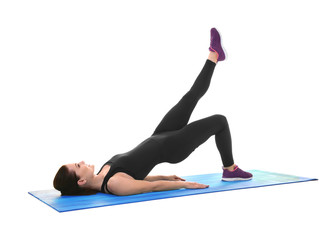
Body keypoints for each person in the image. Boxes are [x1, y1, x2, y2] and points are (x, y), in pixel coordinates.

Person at [53, 28, 253, 196]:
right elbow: (149, 187)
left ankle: (215, 54)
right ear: (80, 181)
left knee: (189, 97)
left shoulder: (104, 175)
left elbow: (138, 177)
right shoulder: (113, 184)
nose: (81, 162)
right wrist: (183, 184)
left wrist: (164, 176)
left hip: (160, 135)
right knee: (219, 121)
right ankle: (230, 170)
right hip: (173, 147)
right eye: (78, 166)